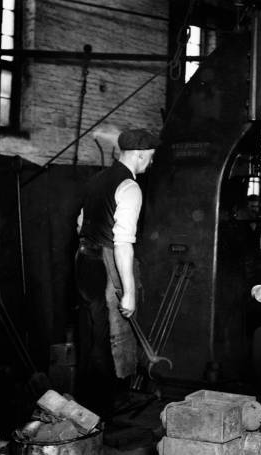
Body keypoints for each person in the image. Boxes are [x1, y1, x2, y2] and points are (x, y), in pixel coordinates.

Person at [75, 128, 159, 417]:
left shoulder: (96, 179)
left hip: (84, 261)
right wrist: (130, 293)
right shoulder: (130, 187)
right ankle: (111, 403)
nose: (150, 163)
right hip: (105, 264)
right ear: (139, 155)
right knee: (115, 334)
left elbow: (80, 223)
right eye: (149, 157)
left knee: (92, 331)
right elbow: (123, 244)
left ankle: (90, 401)